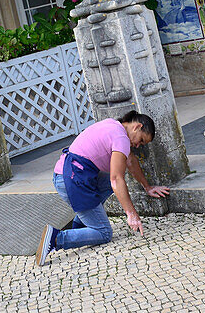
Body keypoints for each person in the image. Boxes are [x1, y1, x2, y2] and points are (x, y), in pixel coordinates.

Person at [35, 110, 171, 266]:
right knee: (104, 233)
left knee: (107, 180)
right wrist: (131, 214)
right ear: (137, 126)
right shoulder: (121, 138)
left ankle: (81, 226)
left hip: (69, 173)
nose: (138, 145)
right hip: (74, 179)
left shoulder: (113, 125)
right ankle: (56, 238)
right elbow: (116, 179)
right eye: (141, 140)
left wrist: (148, 187)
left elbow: (131, 162)